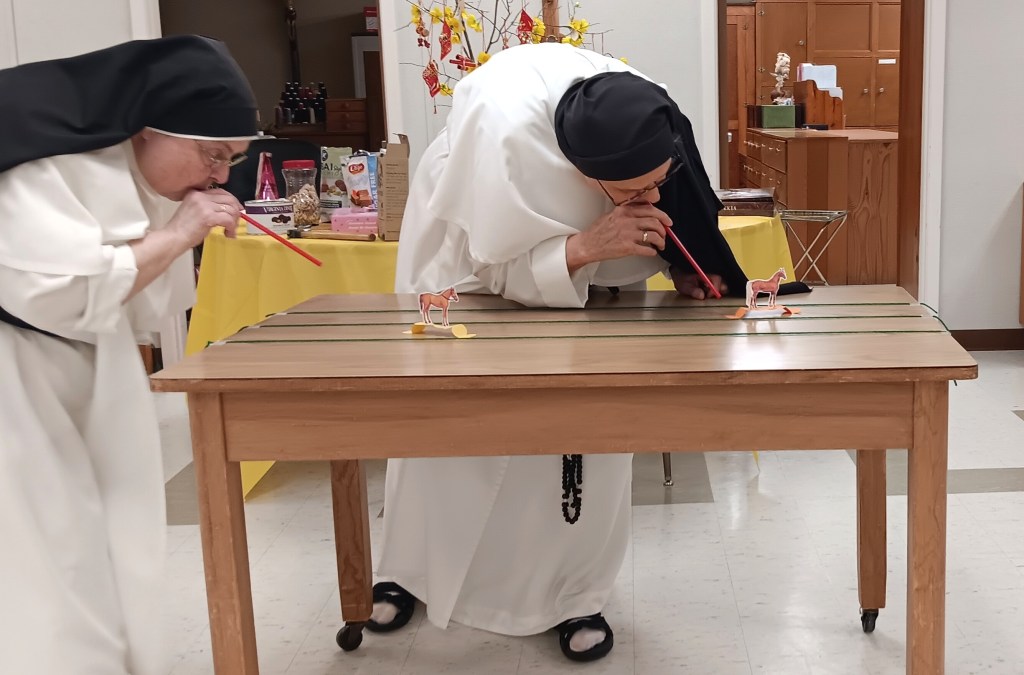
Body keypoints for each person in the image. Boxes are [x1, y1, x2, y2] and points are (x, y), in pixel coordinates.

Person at [376, 42, 805, 663]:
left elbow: (677, 211)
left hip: (591, 291)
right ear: (585, 174)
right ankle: (408, 572)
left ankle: (573, 595)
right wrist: (581, 247)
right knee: (448, 424)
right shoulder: (497, 134)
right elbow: (489, 263)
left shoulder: (650, 114)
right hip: (466, 261)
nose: (653, 196)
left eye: (658, 182)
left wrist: (683, 265)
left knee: (589, 427)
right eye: (635, 190)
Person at [0, 35, 259, 674]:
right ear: (150, 127)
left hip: (92, 360)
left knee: (115, 536)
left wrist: (177, 233)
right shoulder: (41, 162)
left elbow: (133, 297)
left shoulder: (129, 163)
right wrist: (179, 234)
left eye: (230, 161)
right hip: (17, 370)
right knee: (47, 556)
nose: (219, 177)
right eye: (213, 155)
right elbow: (55, 292)